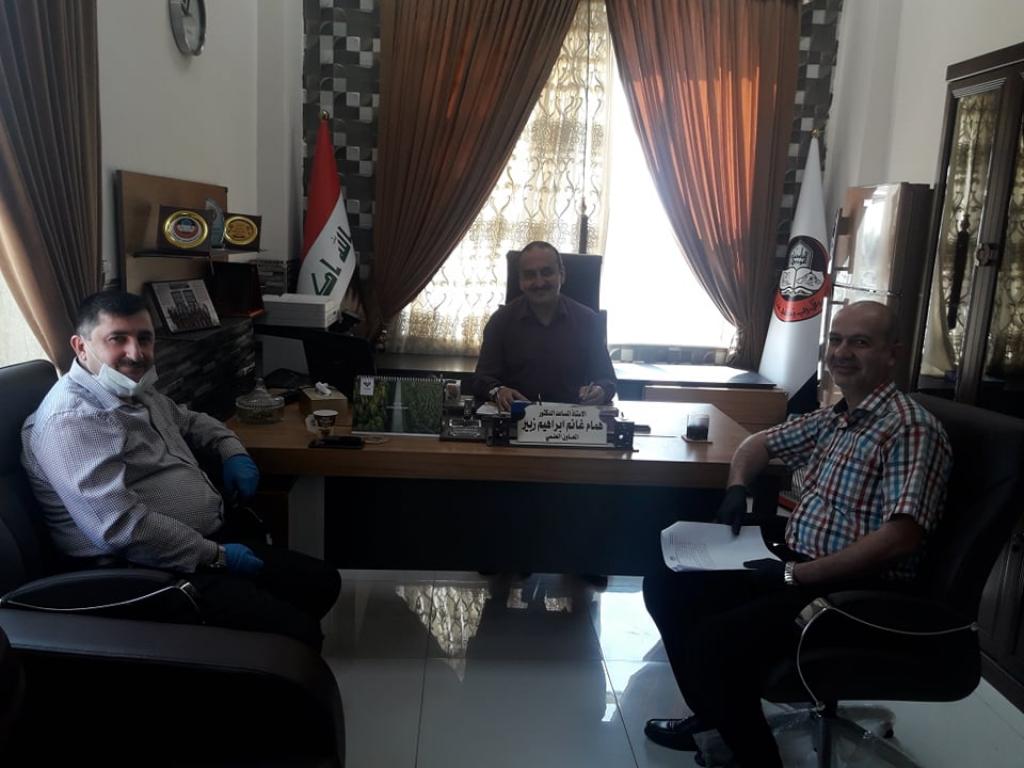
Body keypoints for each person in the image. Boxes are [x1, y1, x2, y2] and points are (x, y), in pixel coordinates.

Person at [641, 301, 952, 767]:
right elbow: (757, 444)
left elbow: (900, 538)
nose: (842, 352)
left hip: (851, 589)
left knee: (714, 642)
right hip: (796, 558)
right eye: (837, 340)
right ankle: (715, 721)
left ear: (893, 353)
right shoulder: (838, 416)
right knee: (668, 583)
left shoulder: (909, 428)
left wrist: (796, 575)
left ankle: (755, 758)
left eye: (860, 342)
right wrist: (737, 487)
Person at [21, 290, 340, 650]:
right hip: (142, 570)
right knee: (297, 635)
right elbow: (121, 528)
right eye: (117, 339)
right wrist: (216, 556)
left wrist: (231, 450)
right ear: (81, 347)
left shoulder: (134, 390)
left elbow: (190, 420)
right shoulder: (74, 420)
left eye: (144, 338)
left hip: (200, 544)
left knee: (321, 582)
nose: (135, 353)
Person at [472, 241, 616, 410]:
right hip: (517, 417)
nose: (539, 282)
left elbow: (607, 380)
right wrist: (498, 391)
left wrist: (600, 390)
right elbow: (482, 379)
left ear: (562, 275)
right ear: (520, 281)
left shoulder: (588, 321)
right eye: (530, 275)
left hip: (572, 419)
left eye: (547, 272)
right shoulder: (500, 321)